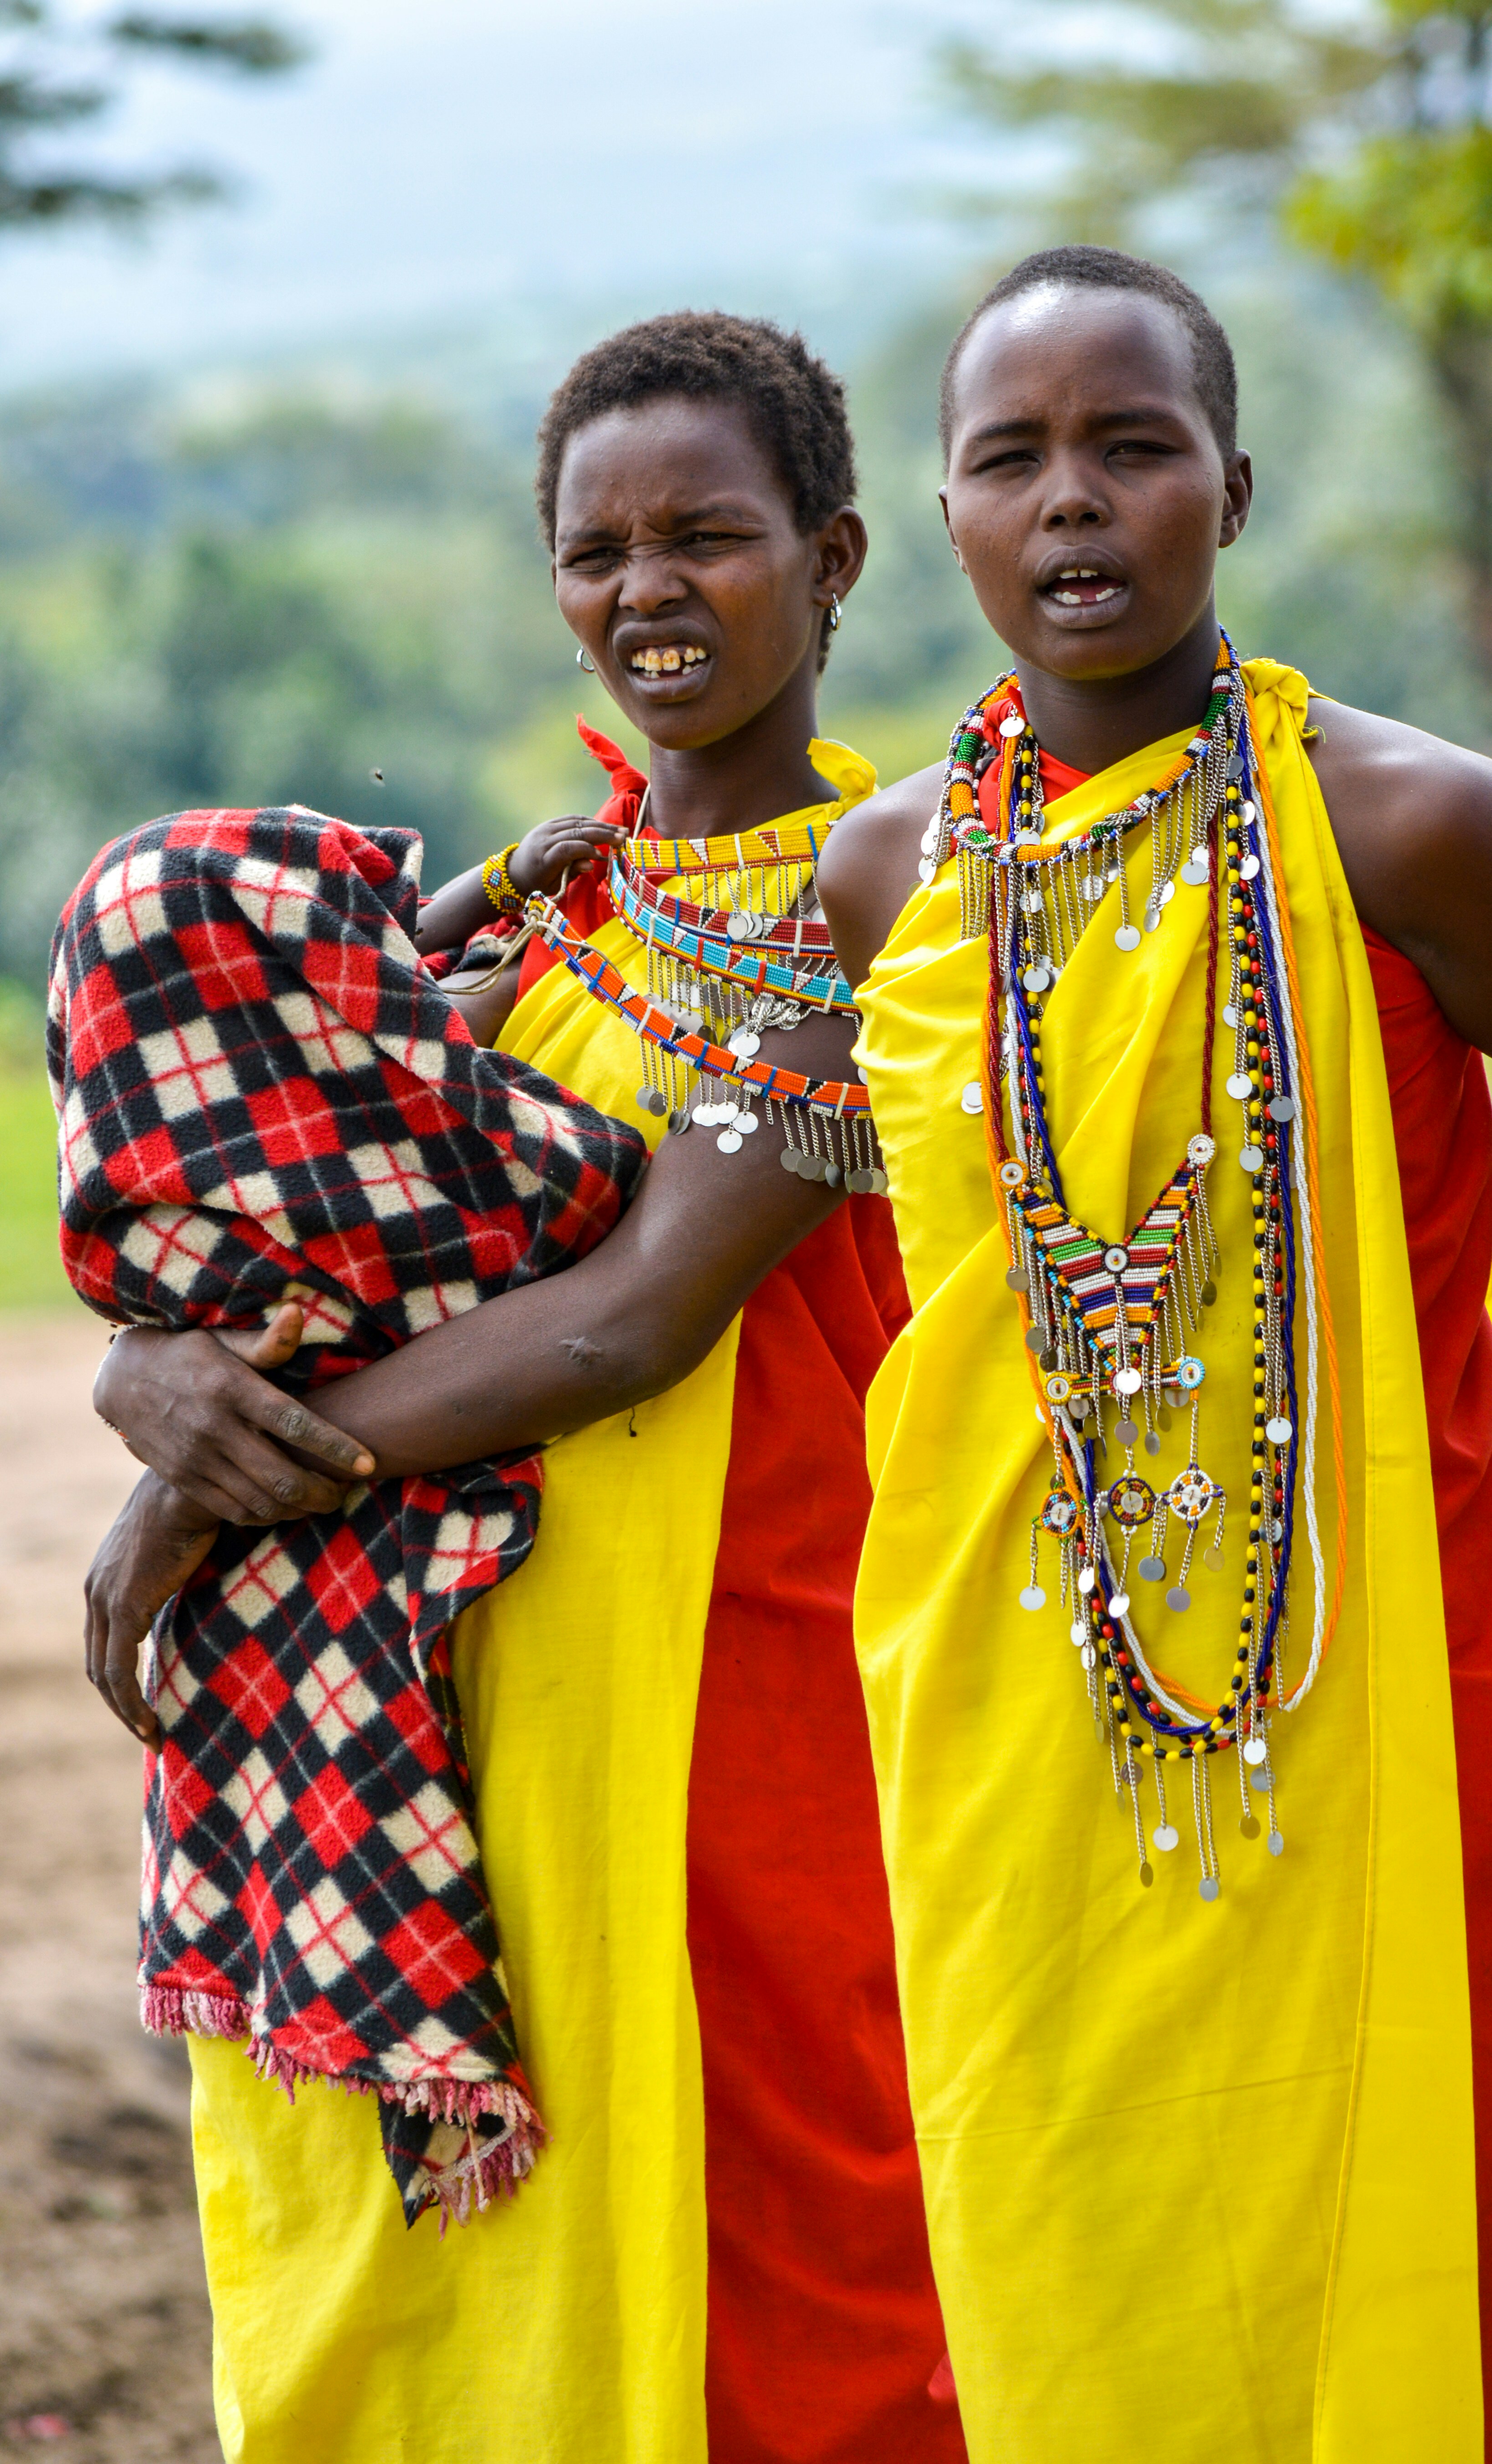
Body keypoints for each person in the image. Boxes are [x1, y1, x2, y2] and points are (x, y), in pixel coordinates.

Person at [85, 313, 966, 2464]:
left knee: (802, 2262)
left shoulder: (890, 909)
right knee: (492, 2276)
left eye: (711, 538)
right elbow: (265, 1210)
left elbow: (631, 1324)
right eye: (600, 548)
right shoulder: (533, 909)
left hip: (763, 1701)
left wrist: (208, 1500)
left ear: (836, 558)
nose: (648, 590)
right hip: (461, 1695)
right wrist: (148, 1365)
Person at [816, 244, 1492, 2461]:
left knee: (1386, 2211)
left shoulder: (1408, 825)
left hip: (1379, 1664)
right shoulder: (889, 876)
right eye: (1013, 460)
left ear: (1235, 488)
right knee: (1063, 2215)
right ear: (944, 520)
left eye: (1135, 447)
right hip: (1007, 1699)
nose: (1074, 505)